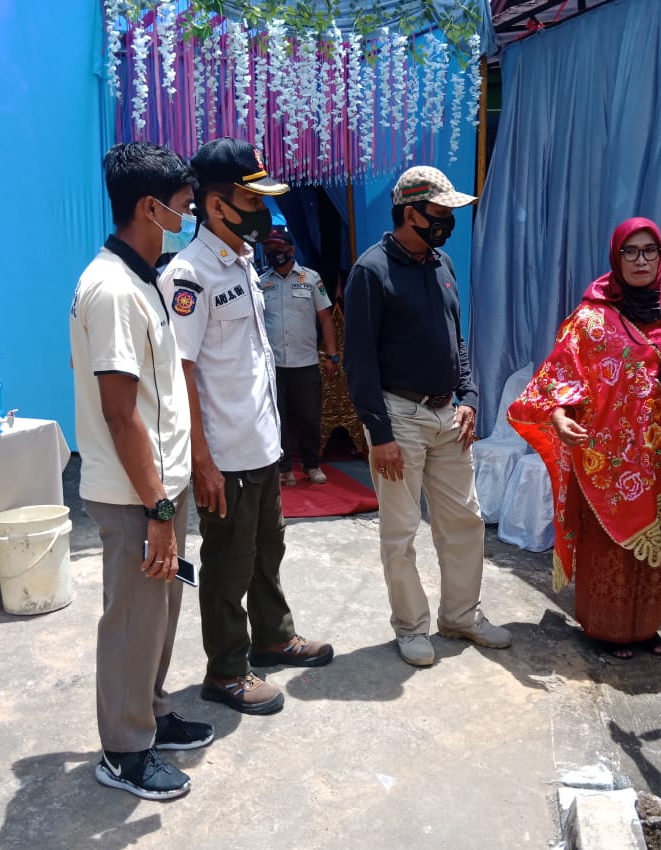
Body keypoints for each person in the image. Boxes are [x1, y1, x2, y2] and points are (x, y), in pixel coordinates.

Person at [160, 137, 333, 715]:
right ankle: (227, 671)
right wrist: (202, 461)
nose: (264, 211)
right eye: (253, 199)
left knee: (267, 550)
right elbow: (181, 371)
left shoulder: (241, 261)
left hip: (260, 444)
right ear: (216, 205)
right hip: (225, 454)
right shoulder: (189, 274)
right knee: (228, 564)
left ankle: (273, 638)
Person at [508, 217, 661, 659]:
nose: (641, 260)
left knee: (660, 541)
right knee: (609, 545)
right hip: (608, 456)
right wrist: (558, 417)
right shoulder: (591, 316)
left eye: (650, 250)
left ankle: (647, 627)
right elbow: (560, 376)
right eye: (631, 251)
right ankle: (606, 629)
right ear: (616, 256)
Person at [69, 142, 213, 801]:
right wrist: (156, 508)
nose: (190, 217)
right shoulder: (112, 290)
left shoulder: (144, 279)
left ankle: (150, 709)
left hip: (160, 485)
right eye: (184, 206)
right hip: (135, 494)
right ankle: (124, 752)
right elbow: (120, 412)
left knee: (158, 610)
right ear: (149, 208)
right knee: (132, 618)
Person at [343, 165, 512, 667]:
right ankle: (411, 627)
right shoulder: (371, 271)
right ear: (411, 213)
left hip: (448, 416)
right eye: (440, 212)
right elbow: (359, 362)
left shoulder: (442, 264)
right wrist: (379, 433)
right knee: (400, 531)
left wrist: (469, 397)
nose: (447, 222)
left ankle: (460, 615)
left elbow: (455, 338)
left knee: (465, 520)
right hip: (399, 417)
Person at [258, 226, 340, 486]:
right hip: (274, 365)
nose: (273, 252)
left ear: (291, 250)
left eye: (278, 247)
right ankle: (284, 469)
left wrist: (332, 355)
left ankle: (312, 465)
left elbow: (325, 319)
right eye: (269, 248)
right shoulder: (261, 283)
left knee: (309, 417)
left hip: (305, 362)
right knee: (277, 418)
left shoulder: (311, 278)